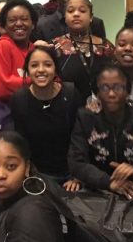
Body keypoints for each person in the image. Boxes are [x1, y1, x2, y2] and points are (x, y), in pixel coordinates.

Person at [69, 62, 133, 197]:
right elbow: (77, 162)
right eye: (104, 88)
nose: (111, 94)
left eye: (118, 87)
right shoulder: (86, 117)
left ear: (127, 91)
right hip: (99, 191)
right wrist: (109, 183)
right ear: (97, 92)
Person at [9, 45, 83, 190]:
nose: (41, 70)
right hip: (36, 177)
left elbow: (79, 139)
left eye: (47, 65)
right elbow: (20, 142)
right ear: (27, 70)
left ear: (55, 69)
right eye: (34, 65)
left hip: (70, 175)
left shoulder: (71, 93)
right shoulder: (19, 99)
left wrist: (78, 175)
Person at [52, 0, 114, 107]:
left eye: (82, 11)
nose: (76, 14)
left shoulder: (106, 46)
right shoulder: (55, 46)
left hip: (104, 109)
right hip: (67, 109)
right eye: (70, 11)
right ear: (65, 17)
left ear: (91, 17)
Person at [0, 0, 37, 102]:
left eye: (24, 19)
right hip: (8, 112)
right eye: (12, 20)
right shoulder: (3, 46)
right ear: (4, 25)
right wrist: (37, 81)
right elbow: (1, 88)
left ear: (33, 24)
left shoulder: (35, 49)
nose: (19, 23)